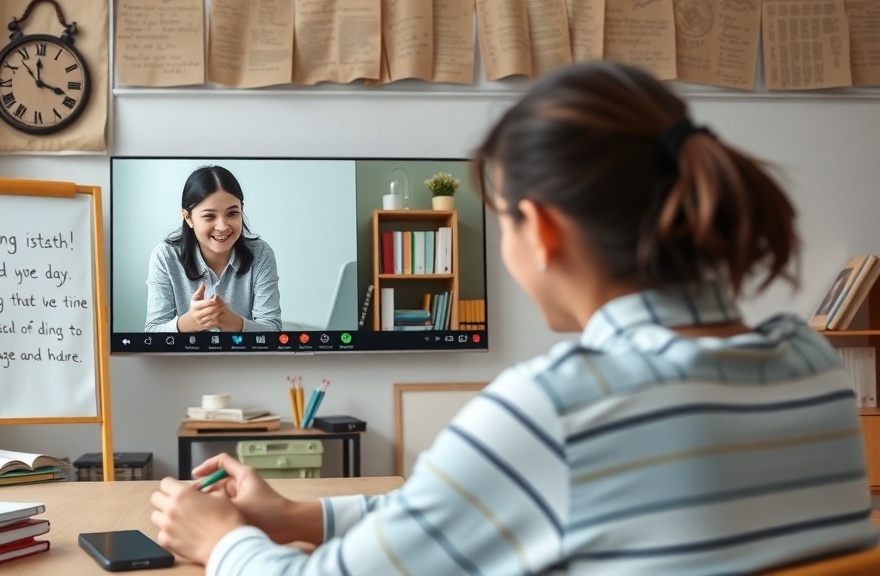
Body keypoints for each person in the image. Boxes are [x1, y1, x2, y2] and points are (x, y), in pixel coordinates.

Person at [149, 62, 878, 574]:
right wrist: (306, 518)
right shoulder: (811, 369)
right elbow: (473, 507)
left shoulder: (558, 411)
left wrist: (219, 542)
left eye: (498, 224)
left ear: (543, 230)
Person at [145, 165, 282, 333]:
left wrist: (233, 323)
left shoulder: (260, 254)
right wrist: (190, 322)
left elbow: (274, 330)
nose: (223, 226)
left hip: (244, 360)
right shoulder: (165, 256)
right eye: (209, 216)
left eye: (232, 213)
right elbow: (152, 331)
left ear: (241, 210)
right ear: (188, 218)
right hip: (185, 360)